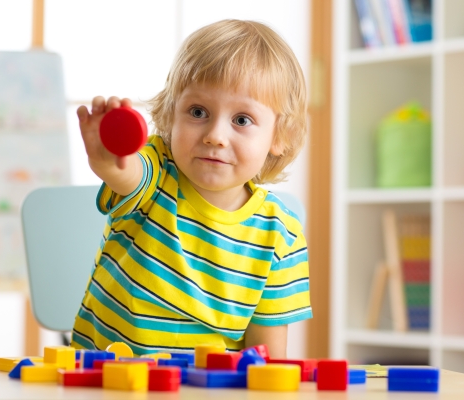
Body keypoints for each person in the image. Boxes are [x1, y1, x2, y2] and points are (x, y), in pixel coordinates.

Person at [73, 19, 310, 359]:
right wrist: (110, 162)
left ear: (279, 137)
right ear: (171, 116)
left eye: (242, 120)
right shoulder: (155, 173)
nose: (215, 135)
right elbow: (127, 175)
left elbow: (266, 357)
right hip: (109, 381)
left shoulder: (281, 234)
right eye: (198, 112)